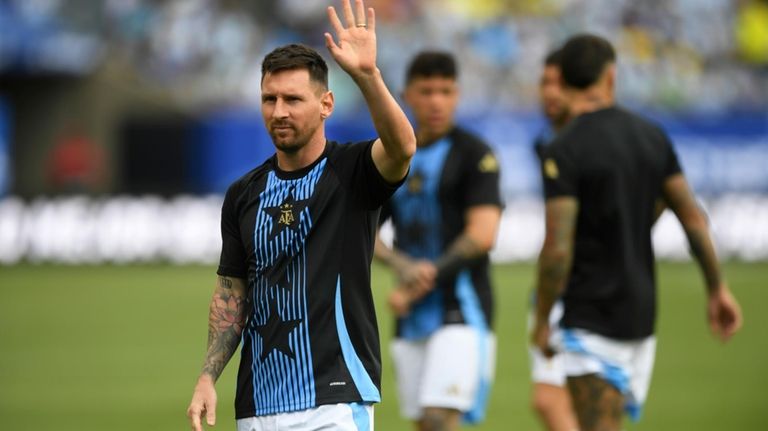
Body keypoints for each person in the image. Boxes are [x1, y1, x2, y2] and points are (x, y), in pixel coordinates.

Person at [186, 1, 416, 430]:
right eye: (269, 99)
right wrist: (207, 375)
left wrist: (367, 76)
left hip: (336, 398)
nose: (279, 111)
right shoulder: (243, 194)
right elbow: (231, 296)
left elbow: (402, 148)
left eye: (293, 99)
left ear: (326, 104)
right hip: (258, 404)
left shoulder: (352, 171)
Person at [530, 34, 743, 431]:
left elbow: (557, 248)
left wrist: (543, 318)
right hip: (641, 315)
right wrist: (717, 288)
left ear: (563, 82)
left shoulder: (564, 148)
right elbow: (693, 218)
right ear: (610, 76)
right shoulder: (651, 136)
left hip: (589, 315)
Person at [374, 51, 503, 431]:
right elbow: (363, 232)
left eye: (445, 92)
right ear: (405, 95)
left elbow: (482, 235)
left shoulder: (475, 155)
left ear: (457, 94)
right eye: (426, 91)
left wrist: (421, 279)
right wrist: (403, 268)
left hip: (462, 308)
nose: (436, 102)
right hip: (410, 316)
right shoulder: (390, 156)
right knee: (422, 422)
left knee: (437, 419)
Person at [528, 48, 579, 431]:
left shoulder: (589, 143)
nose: (549, 93)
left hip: (584, 287)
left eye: (558, 84)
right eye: (544, 83)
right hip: (559, 284)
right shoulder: (547, 144)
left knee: (550, 400)